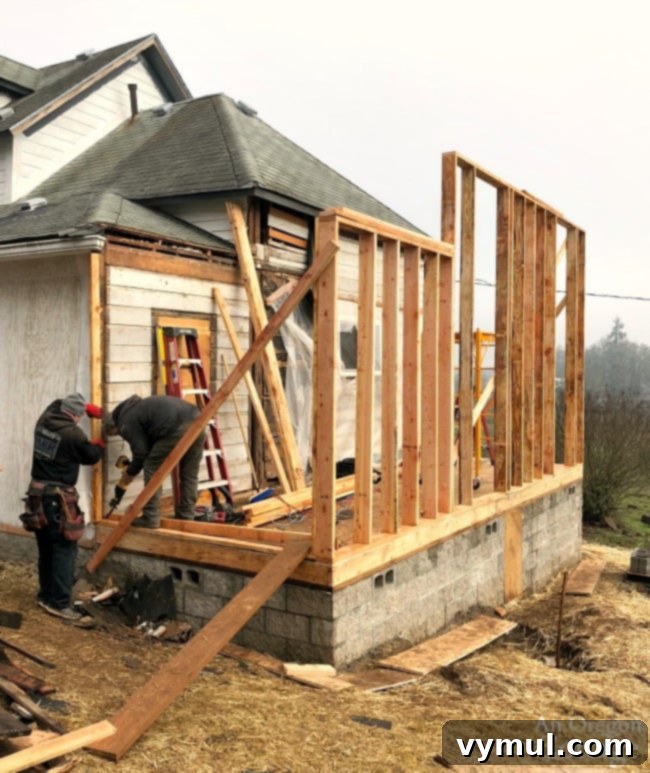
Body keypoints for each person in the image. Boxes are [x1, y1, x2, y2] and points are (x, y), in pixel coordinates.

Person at [26, 393, 104, 621]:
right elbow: (91, 457)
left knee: (47, 548)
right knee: (64, 548)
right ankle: (60, 604)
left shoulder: (45, 419)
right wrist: (99, 445)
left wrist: (85, 406)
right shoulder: (73, 434)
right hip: (56, 499)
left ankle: (46, 595)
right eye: (81, 414)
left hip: (37, 496)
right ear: (76, 415)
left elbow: (56, 403)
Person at [105, 395, 205, 528]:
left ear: (114, 427)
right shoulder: (138, 409)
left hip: (175, 427)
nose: (121, 435)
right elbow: (148, 443)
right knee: (189, 473)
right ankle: (186, 516)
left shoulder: (125, 422)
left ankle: (150, 517)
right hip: (198, 421)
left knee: (151, 467)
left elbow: (141, 453)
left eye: (116, 434)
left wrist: (129, 473)